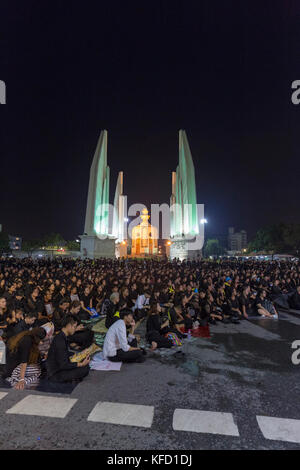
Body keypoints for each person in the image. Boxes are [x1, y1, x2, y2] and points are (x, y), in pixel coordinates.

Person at [46, 315, 90, 383]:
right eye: (74, 327)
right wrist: (81, 364)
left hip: (59, 367)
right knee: (84, 369)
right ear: (69, 325)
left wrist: (81, 353)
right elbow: (64, 365)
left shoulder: (62, 336)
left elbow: (65, 353)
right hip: (55, 373)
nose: (75, 329)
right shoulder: (60, 341)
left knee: (84, 364)